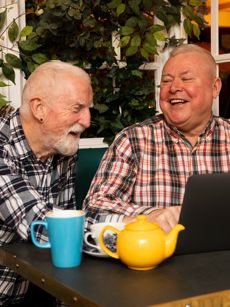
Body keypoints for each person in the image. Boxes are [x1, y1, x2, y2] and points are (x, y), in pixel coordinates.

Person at [83, 43, 230, 234]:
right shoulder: (133, 141)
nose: (175, 87)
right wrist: (149, 216)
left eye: (186, 78)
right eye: (167, 81)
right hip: (155, 261)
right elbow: (93, 210)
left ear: (215, 87)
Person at [0, 60, 93, 306]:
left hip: (40, 288)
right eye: (77, 108)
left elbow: (64, 234)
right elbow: (47, 227)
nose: (87, 120)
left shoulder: (61, 147)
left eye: (88, 109)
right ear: (39, 108)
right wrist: (123, 228)